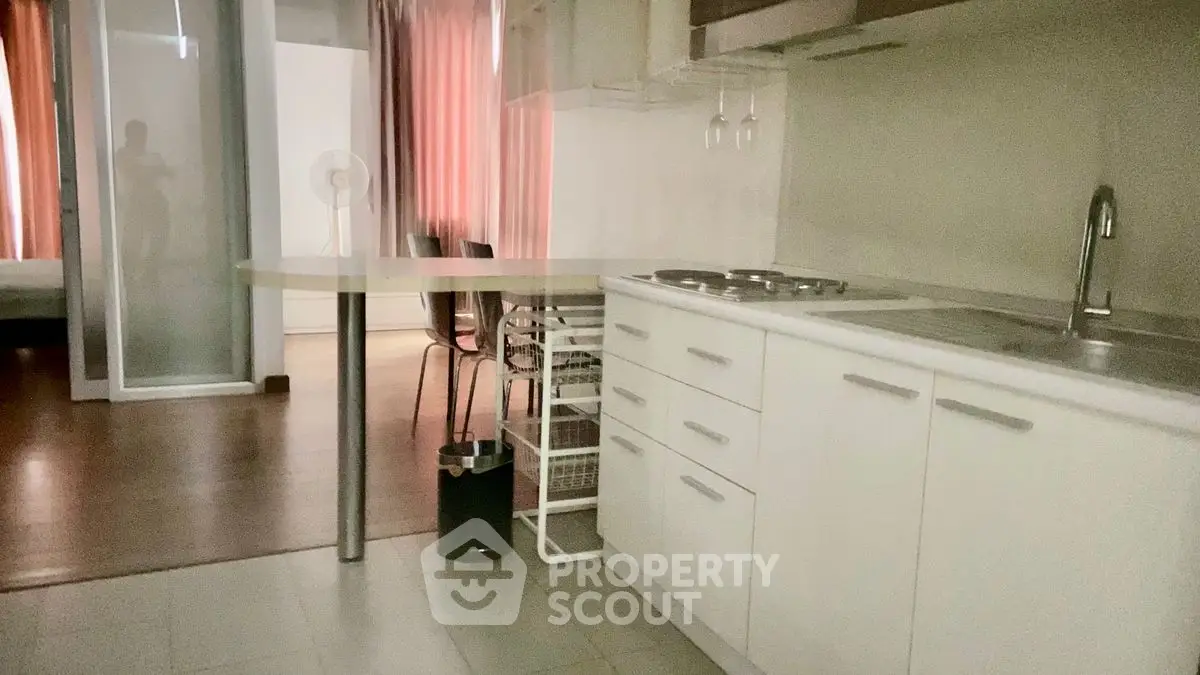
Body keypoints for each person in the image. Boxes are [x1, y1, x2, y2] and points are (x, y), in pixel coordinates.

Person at [114, 119, 172, 269]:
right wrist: (156, 170)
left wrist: (158, 170)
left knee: (159, 238)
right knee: (132, 242)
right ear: (129, 136)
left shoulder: (153, 156)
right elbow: (133, 171)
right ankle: (130, 275)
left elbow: (167, 172)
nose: (142, 139)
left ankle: (150, 269)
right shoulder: (123, 154)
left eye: (143, 135)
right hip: (135, 203)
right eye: (138, 135)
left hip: (155, 201)